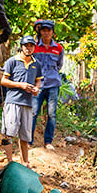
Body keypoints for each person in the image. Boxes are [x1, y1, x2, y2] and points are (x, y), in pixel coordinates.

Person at [0, 35, 42, 165]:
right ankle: (9, 161)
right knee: (9, 133)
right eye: (26, 46)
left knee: (25, 135)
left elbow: (38, 80)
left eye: (31, 46)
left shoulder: (36, 64)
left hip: (27, 103)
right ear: (21, 47)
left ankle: (25, 162)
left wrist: (37, 88)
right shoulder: (12, 61)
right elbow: (3, 81)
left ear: (34, 47)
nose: (28, 48)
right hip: (12, 101)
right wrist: (20, 85)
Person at [31, 20, 65, 150]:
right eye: (43, 30)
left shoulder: (58, 48)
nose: (46, 33)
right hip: (38, 84)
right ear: (40, 31)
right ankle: (28, 141)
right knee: (33, 112)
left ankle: (48, 142)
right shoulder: (34, 46)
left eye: (48, 30)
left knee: (51, 114)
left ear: (52, 32)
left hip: (53, 84)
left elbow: (59, 65)